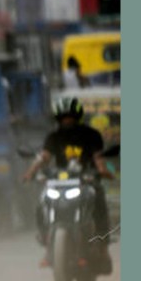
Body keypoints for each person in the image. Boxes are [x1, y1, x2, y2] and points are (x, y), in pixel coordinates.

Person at [21, 96, 113, 272]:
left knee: (99, 201)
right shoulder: (54, 137)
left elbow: (97, 158)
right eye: (64, 118)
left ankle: (102, 248)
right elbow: (44, 157)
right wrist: (30, 172)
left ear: (77, 117)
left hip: (86, 181)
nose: (67, 121)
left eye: (70, 117)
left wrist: (102, 170)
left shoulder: (91, 135)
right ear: (58, 119)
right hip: (60, 183)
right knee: (42, 203)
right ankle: (47, 244)